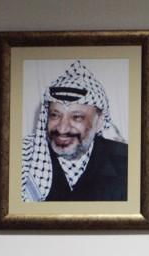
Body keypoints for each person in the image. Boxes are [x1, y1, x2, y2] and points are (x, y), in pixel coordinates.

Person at [22, 60, 128, 202]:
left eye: (76, 117)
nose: (62, 128)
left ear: (100, 121)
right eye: (55, 115)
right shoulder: (25, 158)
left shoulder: (128, 162)